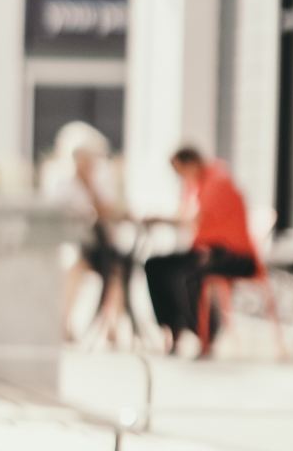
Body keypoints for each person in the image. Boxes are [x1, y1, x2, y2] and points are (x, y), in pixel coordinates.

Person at [140, 145, 259, 357]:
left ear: (191, 163)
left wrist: (160, 218)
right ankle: (172, 329)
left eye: (180, 171)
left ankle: (206, 333)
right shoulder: (193, 184)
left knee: (187, 276)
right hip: (208, 251)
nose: (179, 177)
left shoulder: (217, 181)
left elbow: (195, 217)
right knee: (155, 266)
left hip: (234, 255)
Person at [40, 121, 131, 347]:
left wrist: (90, 187)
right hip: (73, 244)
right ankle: (64, 324)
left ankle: (112, 327)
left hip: (101, 243)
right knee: (73, 265)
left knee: (116, 271)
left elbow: (107, 211)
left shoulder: (101, 179)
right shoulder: (61, 181)